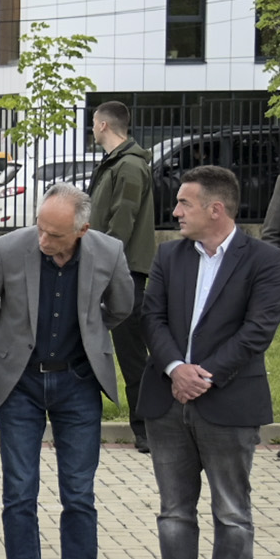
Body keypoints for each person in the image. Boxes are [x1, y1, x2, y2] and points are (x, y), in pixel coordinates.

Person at [0, 184, 132, 559]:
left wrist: (89, 332)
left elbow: (121, 308)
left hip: (78, 382)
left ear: (82, 230)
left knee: (78, 494)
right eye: (41, 228)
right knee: (20, 492)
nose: (44, 239)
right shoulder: (8, 249)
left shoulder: (109, 252)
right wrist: (14, 337)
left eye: (56, 235)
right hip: (20, 383)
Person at [134, 165, 280, 559]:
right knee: (174, 510)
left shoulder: (265, 260)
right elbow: (151, 317)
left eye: (184, 203)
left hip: (229, 402)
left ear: (215, 209)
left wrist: (205, 376)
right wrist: (176, 368)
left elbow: (258, 330)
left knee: (232, 511)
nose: (175, 211)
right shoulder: (168, 255)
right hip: (167, 399)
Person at [87, 101, 157, 453]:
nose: (92, 129)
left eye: (93, 123)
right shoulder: (116, 163)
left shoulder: (128, 165)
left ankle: (146, 429)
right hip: (109, 268)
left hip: (122, 272)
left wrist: (103, 266)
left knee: (132, 355)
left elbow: (122, 220)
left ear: (103, 125)